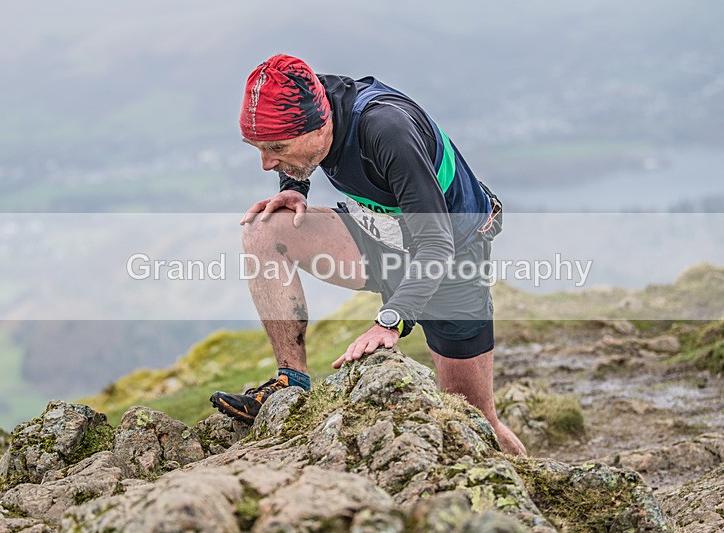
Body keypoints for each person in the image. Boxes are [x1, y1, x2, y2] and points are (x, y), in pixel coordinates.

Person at [210, 54, 526, 456]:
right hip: (378, 236)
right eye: (257, 147)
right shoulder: (305, 95)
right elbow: (292, 152)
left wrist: (389, 322)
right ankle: (292, 380)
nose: (266, 161)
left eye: (277, 148)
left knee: (474, 421)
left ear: (320, 125)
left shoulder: (386, 129)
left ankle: (527, 491)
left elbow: (436, 243)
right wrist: (295, 188)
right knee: (264, 230)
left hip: (450, 255)